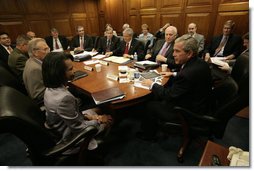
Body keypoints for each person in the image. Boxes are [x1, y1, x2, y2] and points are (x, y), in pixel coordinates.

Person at [138, 36, 212, 140]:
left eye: (177, 51)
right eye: (174, 50)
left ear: (189, 53)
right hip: (202, 103)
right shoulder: (200, 62)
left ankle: (148, 135)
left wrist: (151, 84)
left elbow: (168, 95)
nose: (173, 54)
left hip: (188, 111)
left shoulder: (187, 74)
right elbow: (190, 77)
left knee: (150, 104)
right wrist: (173, 74)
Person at [42, 52, 112, 149]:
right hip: (69, 135)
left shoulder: (49, 88)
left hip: (63, 124)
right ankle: (98, 150)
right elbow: (79, 128)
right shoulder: (64, 98)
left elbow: (73, 116)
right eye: (70, 69)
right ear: (58, 73)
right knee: (109, 119)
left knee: (97, 109)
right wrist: (99, 120)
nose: (74, 71)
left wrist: (91, 117)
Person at [23, 38, 49, 105]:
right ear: (35, 52)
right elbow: (38, 95)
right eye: (45, 49)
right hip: (45, 103)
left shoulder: (31, 61)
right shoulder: (35, 69)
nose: (48, 52)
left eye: (48, 48)